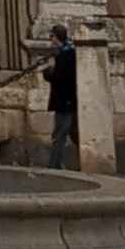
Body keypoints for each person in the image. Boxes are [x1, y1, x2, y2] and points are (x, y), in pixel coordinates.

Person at [44, 23, 79, 170]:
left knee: (59, 133)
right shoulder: (67, 51)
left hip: (65, 102)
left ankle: (54, 164)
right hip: (69, 101)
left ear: (56, 37)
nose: (50, 39)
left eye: (51, 36)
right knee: (68, 133)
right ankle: (58, 163)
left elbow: (61, 78)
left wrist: (48, 73)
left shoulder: (66, 55)